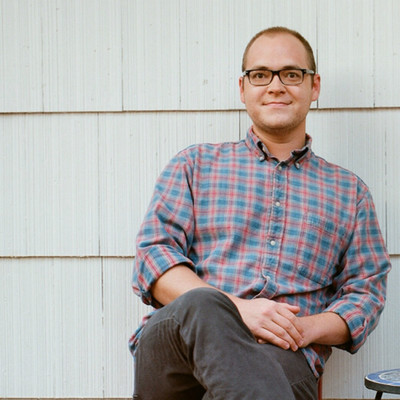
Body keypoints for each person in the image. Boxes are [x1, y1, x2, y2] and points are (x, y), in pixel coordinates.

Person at [129, 26, 391, 400]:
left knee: (264, 376)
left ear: (314, 86)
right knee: (203, 305)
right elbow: (153, 258)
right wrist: (239, 311)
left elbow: (366, 293)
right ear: (243, 88)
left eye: (291, 74)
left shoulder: (350, 194)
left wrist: (303, 329)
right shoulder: (194, 166)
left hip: (283, 355)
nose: (276, 86)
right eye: (261, 75)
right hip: (177, 352)